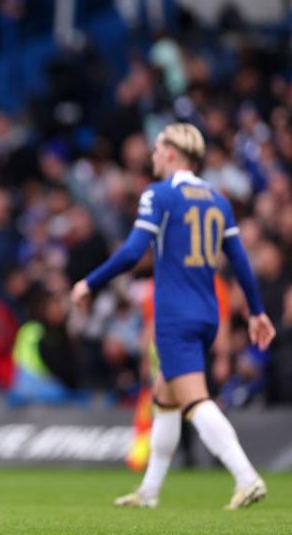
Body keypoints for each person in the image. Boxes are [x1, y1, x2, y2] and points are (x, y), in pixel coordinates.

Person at [71, 123, 275, 510]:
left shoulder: (160, 195)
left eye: (157, 148)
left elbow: (133, 253)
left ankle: (246, 476)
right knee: (165, 398)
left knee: (194, 400)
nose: (152, 156)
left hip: (174, 314)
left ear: (171, 153)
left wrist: (89, 282)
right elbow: (240, 261)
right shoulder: (218, 199)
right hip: (206, 312)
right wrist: (257, 311)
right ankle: (149, 492)